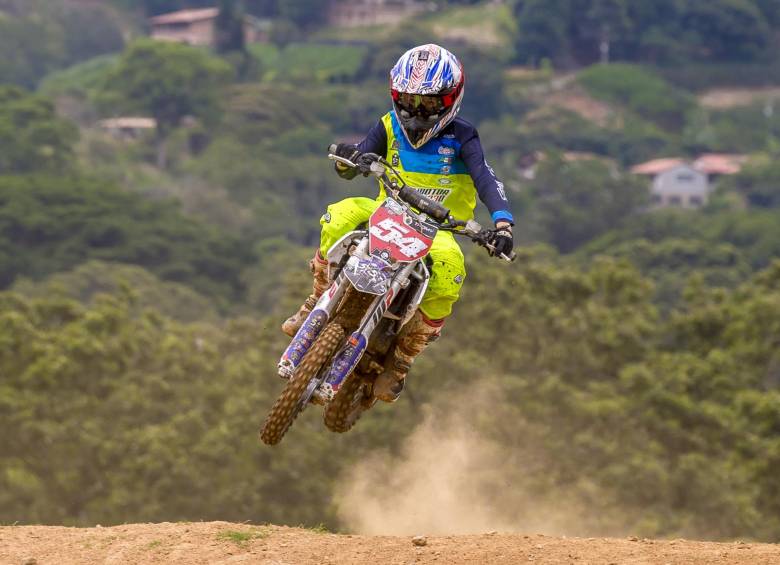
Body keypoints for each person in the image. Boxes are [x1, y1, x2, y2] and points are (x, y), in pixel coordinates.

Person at [282, 44, 513, 402]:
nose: (416, 112)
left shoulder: (463, 137)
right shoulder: (388, 124)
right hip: (385, 211)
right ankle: (316, 299)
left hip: (438, 229)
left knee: (451, 270)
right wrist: (347, 159)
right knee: (339, 214)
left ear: (451, 99)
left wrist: (502, 225)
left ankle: (403, 358)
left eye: (428, 104)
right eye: (408, 101)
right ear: (395, 95)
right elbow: (354, 162)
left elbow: (486, 179)